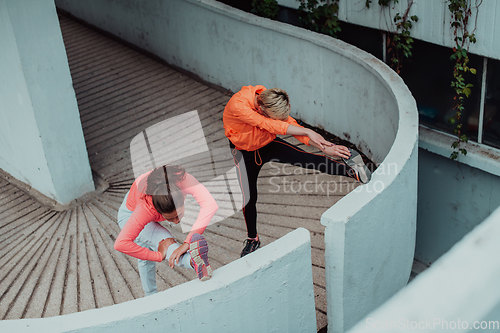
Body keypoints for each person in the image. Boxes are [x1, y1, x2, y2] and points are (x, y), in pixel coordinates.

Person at [223, 85, 371, 257]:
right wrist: (307, 129)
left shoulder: (269, 102)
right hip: (244, 154)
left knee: (307, 159)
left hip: (268, 145)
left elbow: (290, 125)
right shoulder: (239, 104)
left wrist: (326, 147)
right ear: (261, 108)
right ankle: (252, 239)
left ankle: (352, 172)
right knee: (248, 198)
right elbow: (269, 124)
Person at [114, 165, 218, 296]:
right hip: (129, 214)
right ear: (158, 211)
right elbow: (120, 243)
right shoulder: (145, 209)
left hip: (140, 196)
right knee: (166, 244)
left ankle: (150, 298)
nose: (176, 221)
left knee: (144, 256)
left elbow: (210, 204)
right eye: (170, 218)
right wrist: (158, 255)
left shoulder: (182, 179)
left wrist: (187, 243)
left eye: (178, 214)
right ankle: (194, 262)